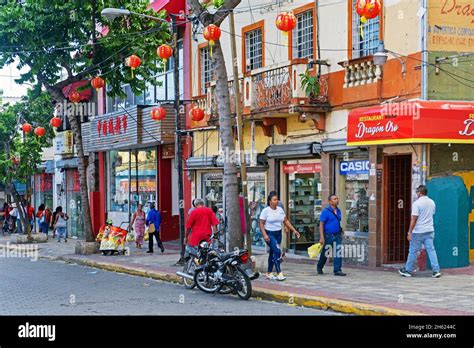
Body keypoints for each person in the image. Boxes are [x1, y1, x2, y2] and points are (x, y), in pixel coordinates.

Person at [399, 185, 441, 278]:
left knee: (413, 251)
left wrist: (409, 231)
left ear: (420, 193)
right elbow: (432, 214)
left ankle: (408, 270)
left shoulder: (417, 203)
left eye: (417, 192)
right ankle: (436, 270)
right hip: (429, 230)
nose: (416, 194)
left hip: (418, 231)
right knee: (431, 250)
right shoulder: (432, 202)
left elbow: (414, 218)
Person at [259, 192, 300, 281]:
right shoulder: (265, 211)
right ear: (269, 201)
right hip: (269, 233)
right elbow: (261, 224)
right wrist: (265, 235)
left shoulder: (280, 209)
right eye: (274, 200)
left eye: (277, 199)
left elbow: (285, 221)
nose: (276, 201)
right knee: (277, 251)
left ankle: (269, 273)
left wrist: (294, 230)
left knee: (272, 253)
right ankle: (279, 273)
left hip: (278, 233)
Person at [317, 194, 347, 276]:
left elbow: (337, 221)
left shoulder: (339, 211)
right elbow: (321, 224)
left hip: (337, 235)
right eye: (334, 199)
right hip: (328, 236)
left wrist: (340, 230)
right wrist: (322, 237)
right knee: (325, 253)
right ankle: (319, 266)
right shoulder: (325, 211)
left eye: (337, 199)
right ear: (330, 201)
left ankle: (337, 270)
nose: (337, 200)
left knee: (338, 252)